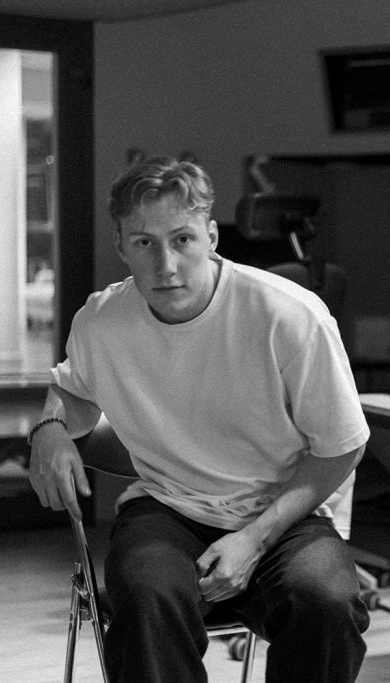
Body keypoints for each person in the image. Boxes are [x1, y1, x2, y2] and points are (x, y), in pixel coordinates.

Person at [28, 157, 371, 682]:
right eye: (144, 242)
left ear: (211, 237)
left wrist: (254, 539)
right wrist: (50, 427)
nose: (165, 264)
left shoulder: (288, 314)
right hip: (168, 506)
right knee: (148, 597)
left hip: (284, 512)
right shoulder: (101, 321)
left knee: (327, 603)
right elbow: (71, 391)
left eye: (182, 239)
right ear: (121, 246)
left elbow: (343, 446)